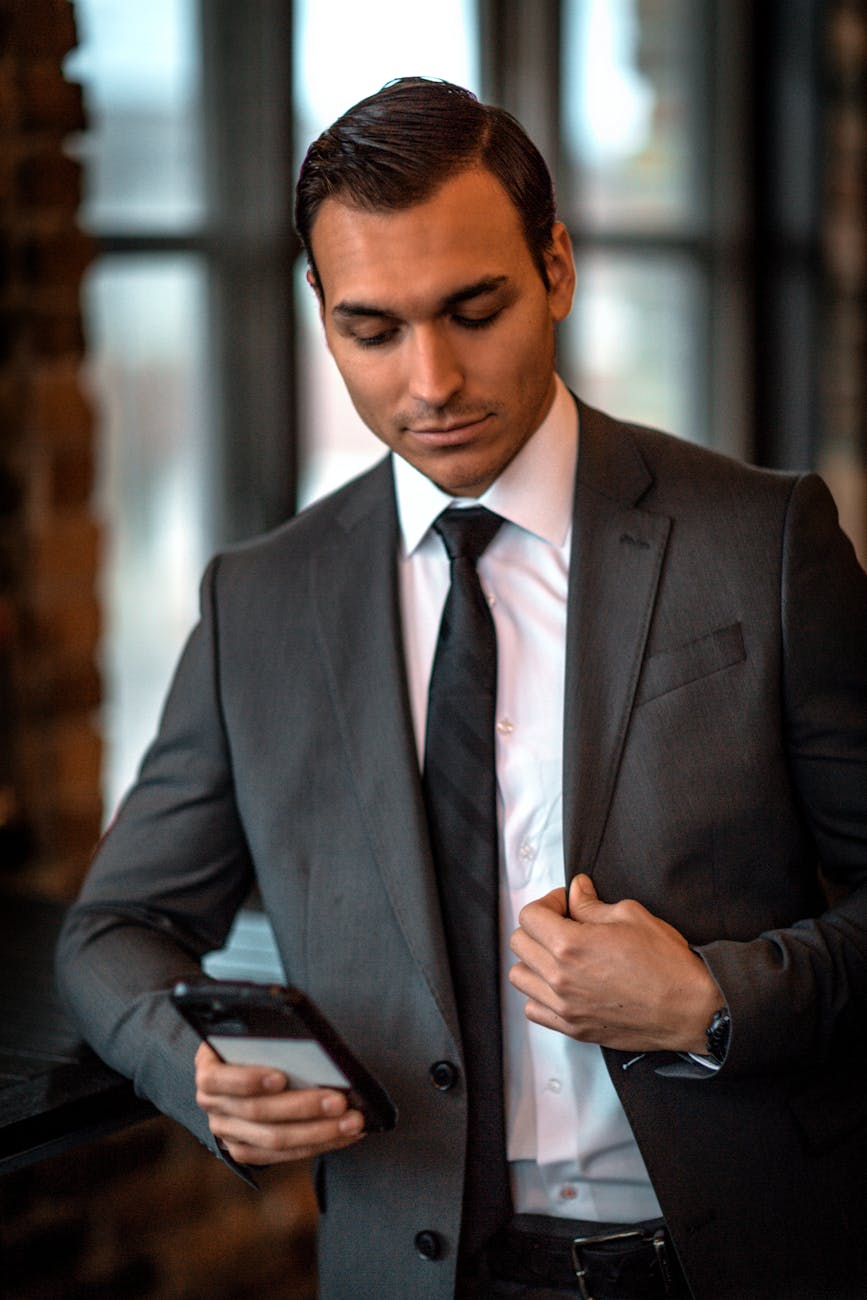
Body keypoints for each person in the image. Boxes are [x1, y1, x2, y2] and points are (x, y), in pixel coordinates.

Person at [57, 77, 867, 1300]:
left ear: (557, 269)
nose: (430, 380)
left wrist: (713, 1002)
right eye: (372, 331)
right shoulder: (259, 603)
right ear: (320, 312)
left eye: (473, 311)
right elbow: (112, 930)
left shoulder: (762, 541)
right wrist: (196, 1067)